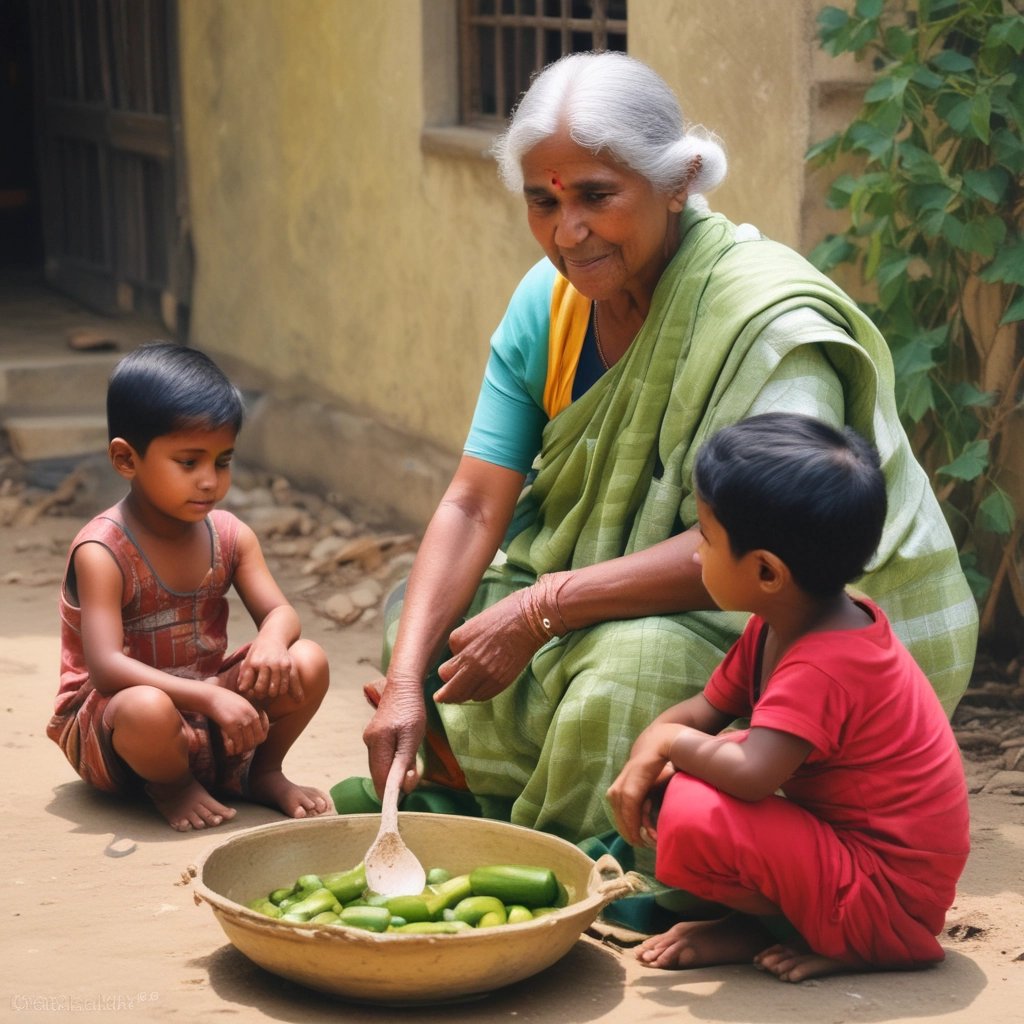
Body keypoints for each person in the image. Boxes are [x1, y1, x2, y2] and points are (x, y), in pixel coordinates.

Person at [356, 51, 976, 854]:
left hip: (761, 609)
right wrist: (407, 682)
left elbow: (773, 542)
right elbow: (475, 502)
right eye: (542, 202)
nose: (566, 232)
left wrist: (543, 608)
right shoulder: (548, 307)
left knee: (627, 676)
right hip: (590, 584)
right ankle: (537, 781)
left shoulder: (763, 321)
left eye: (595, 197)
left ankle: (632, 849)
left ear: (678, 181)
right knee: (419, 620)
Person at [606, 412, 970, 982]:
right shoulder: (780, 622)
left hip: (888, 895)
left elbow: (750, 772)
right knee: (679, 779)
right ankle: (778, 923)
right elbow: (706, 711)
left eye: (706, 536)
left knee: (696, 808)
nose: (697, 555)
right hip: (841, 856)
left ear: (768, 572)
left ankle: (859, 942)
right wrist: (654, 748)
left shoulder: (827, 664)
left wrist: (669, 741)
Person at [47, 342, 332, 832]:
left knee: (307, 661)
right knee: (146, 706)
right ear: (126, 459)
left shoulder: (230, 536)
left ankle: (259, 773)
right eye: (189, 462)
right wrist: (208, 699)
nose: (209, 481)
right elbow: (108, 669)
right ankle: (172, 786)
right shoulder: (103, 551)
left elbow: (281, 614)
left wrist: (269, 642)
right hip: (119, 729)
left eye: (222, 461)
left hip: (206, 710)